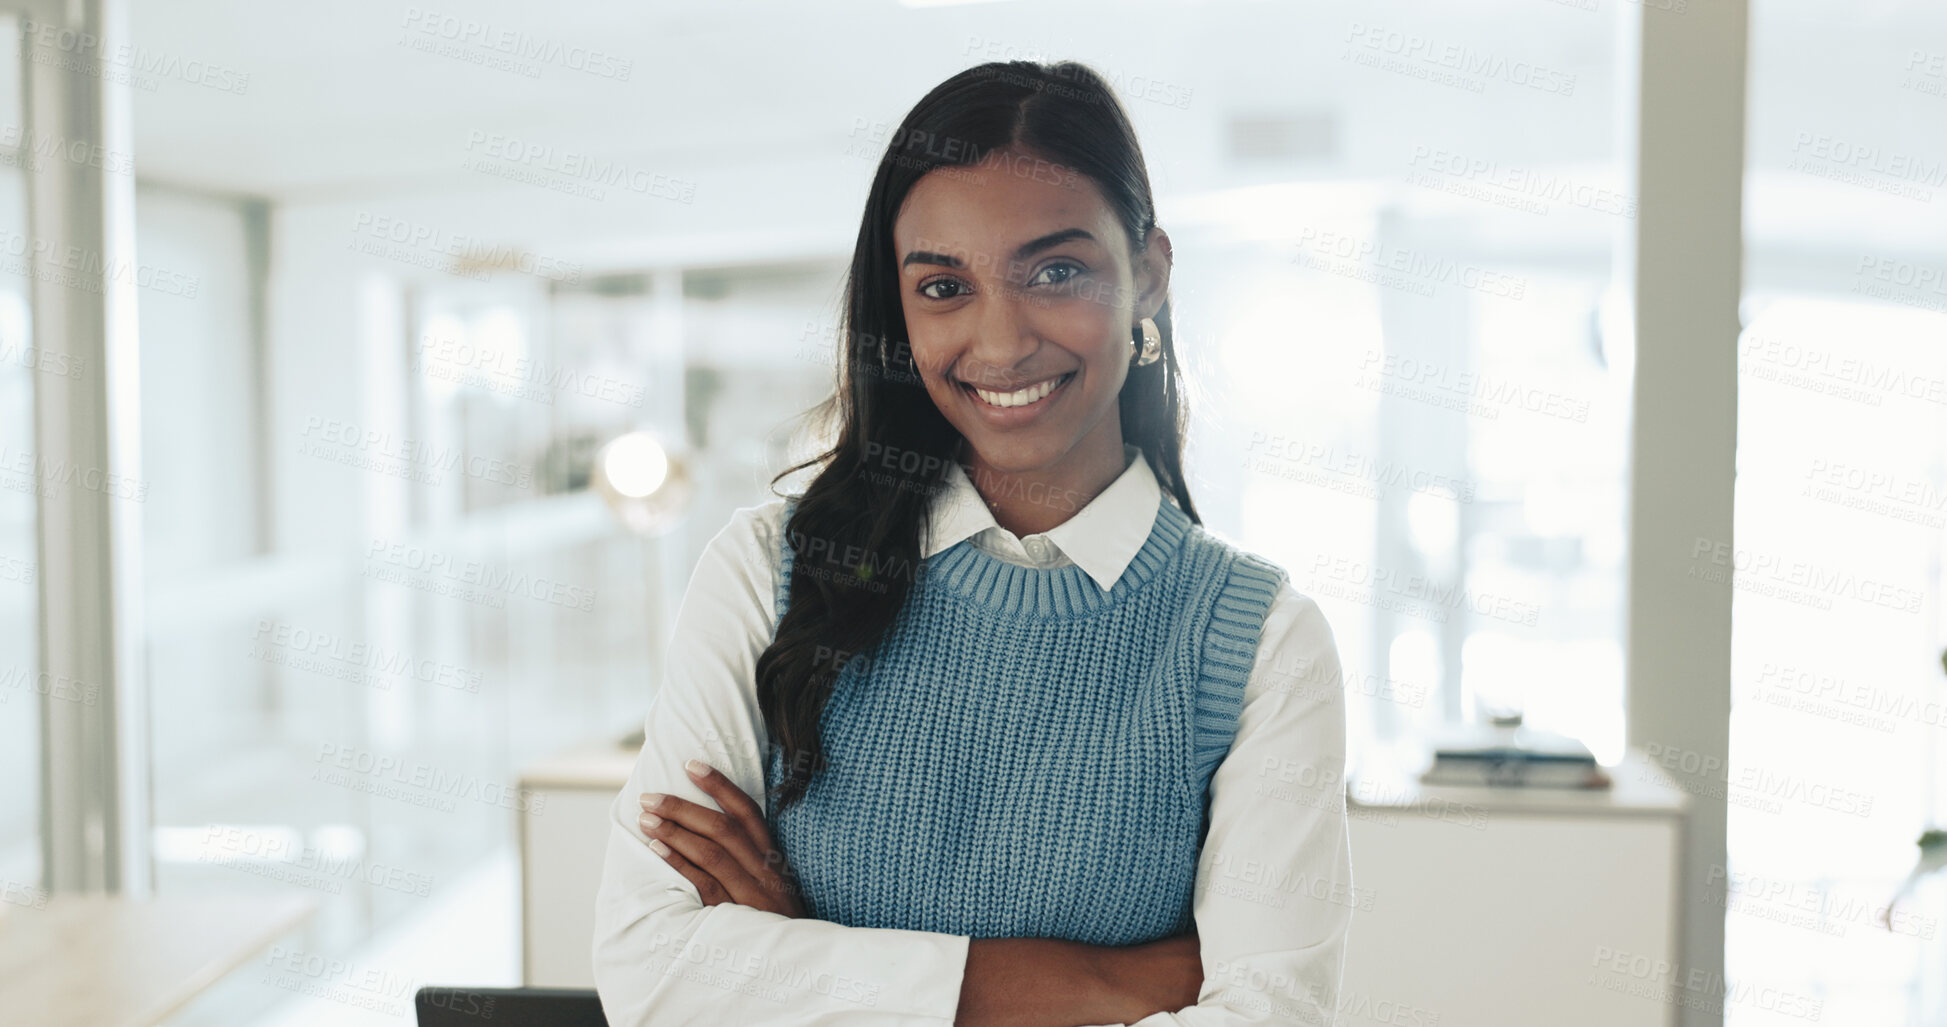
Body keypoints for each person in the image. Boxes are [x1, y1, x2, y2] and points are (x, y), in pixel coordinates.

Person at [592, 59, 1352, 1026]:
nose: (999, 344)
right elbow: (651, 971)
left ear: (1149, 275)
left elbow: (1270, 1017)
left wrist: (800, 959)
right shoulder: (765, 573)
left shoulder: (1258, 644)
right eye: (945, 286)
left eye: (1056, 271)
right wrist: (1098, 986)